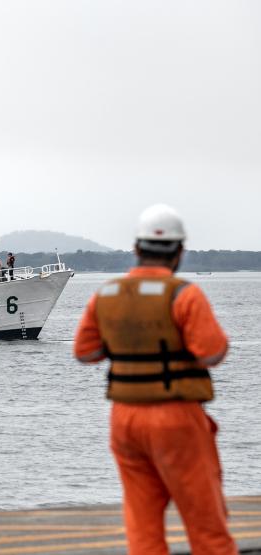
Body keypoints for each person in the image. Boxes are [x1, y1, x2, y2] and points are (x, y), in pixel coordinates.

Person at [73, 204, 236, 555]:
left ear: (136, 248)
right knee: (206, 522)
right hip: (176, 415)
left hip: (125, 418)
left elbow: (85, 353)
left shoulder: (106, 294)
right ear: (179, 251)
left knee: (142, 523)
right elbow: (212, 353)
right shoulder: (183, 294)